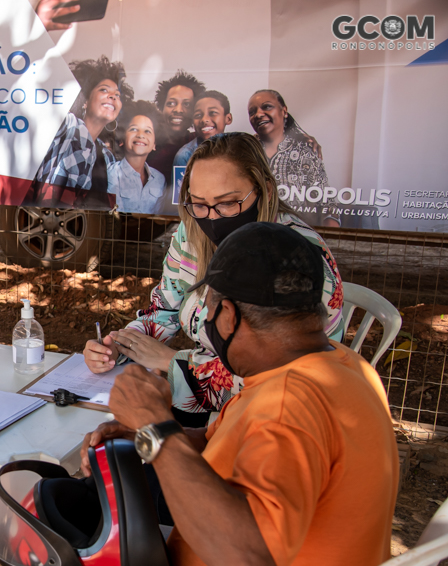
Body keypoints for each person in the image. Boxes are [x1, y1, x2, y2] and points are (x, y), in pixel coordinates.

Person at [0, 221, 399, 566]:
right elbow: (232, 445)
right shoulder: (343, 367)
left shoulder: (288, 404)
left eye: (207, 309)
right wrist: (150, 434)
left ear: (228, 315)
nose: (204, 323)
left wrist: (157, 430)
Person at [83, 133, 344, 426]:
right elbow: (164, 310)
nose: (212, 218)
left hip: (272, 420)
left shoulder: (299, 257)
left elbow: (289, 379)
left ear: (265, 190)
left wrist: (173, 364)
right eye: (199, 203)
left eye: (228, 203)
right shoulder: (192, 232)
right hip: (201, 406)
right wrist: (118, 346)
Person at [25, 57, 134, 210]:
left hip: (85, 231)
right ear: (85, 101)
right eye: (104, 90)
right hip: (48, 226)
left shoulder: (107, 157)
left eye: (117, 95)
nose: (113, 96)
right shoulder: (68, 126)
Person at [248, 89, 338, 227]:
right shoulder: (245, 151)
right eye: (252, 112)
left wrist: (326, 242)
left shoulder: (304, 150)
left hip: (296, 236)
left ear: (284, 111)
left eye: (266, 107)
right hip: (253, 233)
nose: (258, 114)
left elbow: (326, 202)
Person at [108, 100, 167, 214]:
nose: (141, 135)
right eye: (134, 129)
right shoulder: (112, 174)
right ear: (122, 140)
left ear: (154, 144)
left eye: (147, 131)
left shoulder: (160, 179)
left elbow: (158, 219)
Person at [147, 70, 206, 181]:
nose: (178, 110)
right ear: (162, 107)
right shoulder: (146, 141)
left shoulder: (199, 142)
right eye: (171, 103)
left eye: (187, 104)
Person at [173, 90, 232, 169]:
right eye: (198, 115)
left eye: (212, 113)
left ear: (228, 119)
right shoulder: (184, 155)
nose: (204, 119)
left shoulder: (240, 149)